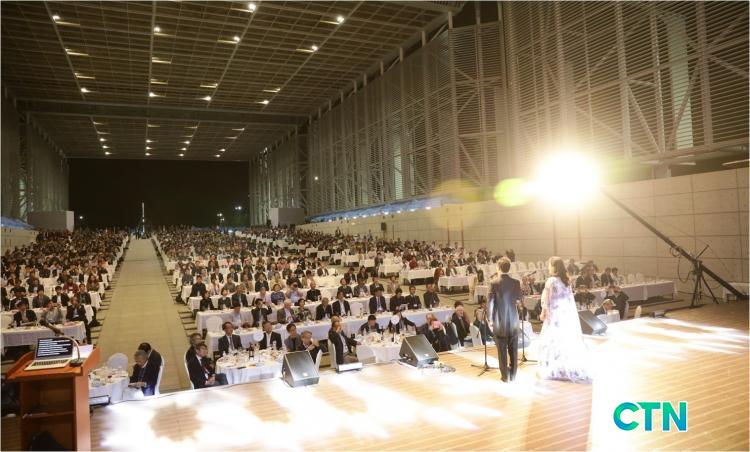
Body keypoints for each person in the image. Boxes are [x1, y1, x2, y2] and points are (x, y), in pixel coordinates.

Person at [537, 257, 592, 383]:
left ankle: (553, 369)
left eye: (550, 265)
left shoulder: (551, 281)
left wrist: (543, 312)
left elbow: (546, 299)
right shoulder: (566, 281)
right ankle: (563, 368)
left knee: (552, 341)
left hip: (553, 316)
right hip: (564, 316)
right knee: (563, 341)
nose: (548, 267)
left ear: (554, 267)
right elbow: (568, 300)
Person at [489, 258, 521, 382]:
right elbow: (519, 300)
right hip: (513, 320)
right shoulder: (516, 282)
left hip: (499, 320)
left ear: (498, 267)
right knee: (514, 350)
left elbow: (490, 303)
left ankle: (505, 377)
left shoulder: (493, 282)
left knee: (502, 350)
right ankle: (513, 375)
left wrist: (490, 319)